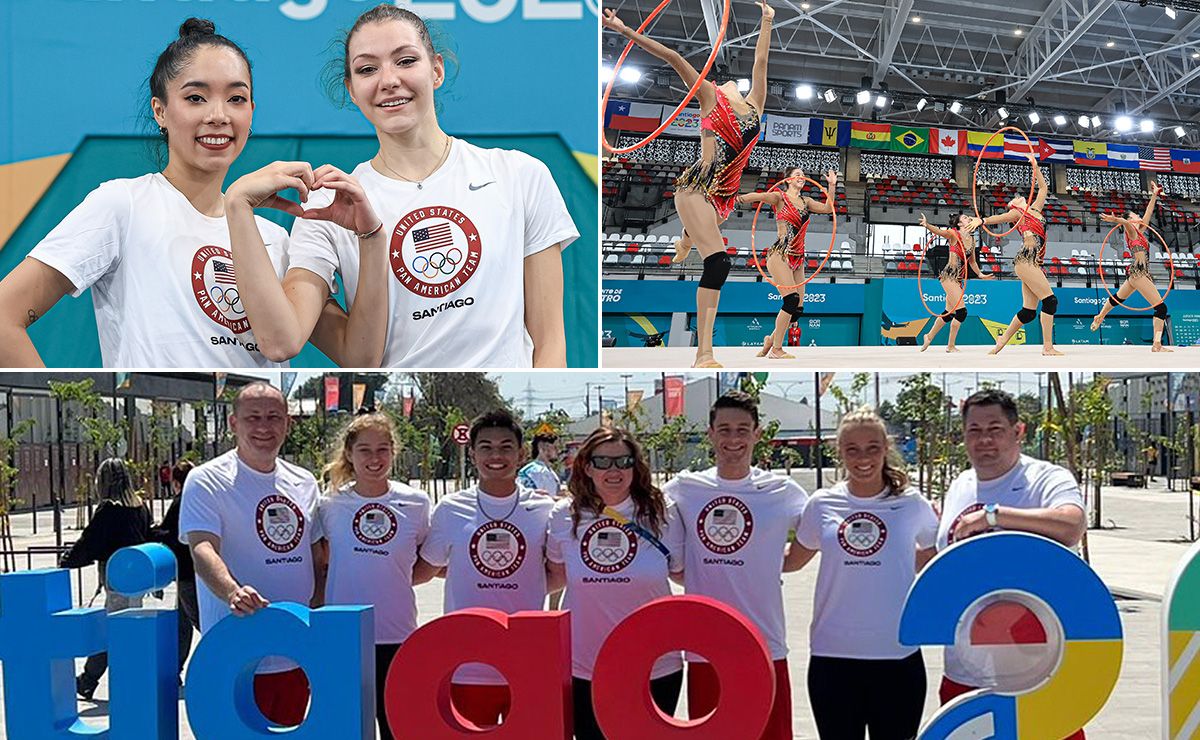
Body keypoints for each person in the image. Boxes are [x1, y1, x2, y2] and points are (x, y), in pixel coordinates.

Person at [234, 4, 578, 368]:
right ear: (351, 90)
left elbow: (550, 341)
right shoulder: (325, 204)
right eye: (368, 69)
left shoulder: (520, 175)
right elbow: (285, 342)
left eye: (405, 61)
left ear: (437, 70)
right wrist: (238, 203)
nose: (388, 80)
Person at [0, 19, 304, 368]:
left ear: (251, 111)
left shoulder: (275, 239)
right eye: (195, 98)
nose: (218, 115)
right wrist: (64, 412)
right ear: (160, 111)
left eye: (236, 98)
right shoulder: (122, 205)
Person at [602, 2, 774, 368]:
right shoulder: (710, 96)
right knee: (719, 265)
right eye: (722, 79)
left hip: (724, 197)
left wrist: (767, 19)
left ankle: (684, 240)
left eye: (733, 81)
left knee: (707, 236)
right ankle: (704, 354)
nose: (730, 79)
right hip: (698, 187)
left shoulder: (756, 105)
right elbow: (673, 58)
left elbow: (761, 63)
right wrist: (625, 31)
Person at [938, 388, 1087, 739]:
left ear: (1018, 431)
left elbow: (1072, 525)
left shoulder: (1046, 479)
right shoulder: (959, 484)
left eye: (995, 428)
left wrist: (995, 516)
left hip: (1039, 669)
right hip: (965, 669)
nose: (984, 439)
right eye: (974, 430)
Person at [663, 391, 808, 739]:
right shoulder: (686, 487)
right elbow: (633, 503)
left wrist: (782, 563)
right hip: (704, 647)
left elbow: (821, 529)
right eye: (724, 429)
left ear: (758, 435)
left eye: (743, 429)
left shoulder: (783, 490)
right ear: (710, 433)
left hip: (765, 643)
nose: (733, 439)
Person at [785, 408, 937, 739]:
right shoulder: (822, 504)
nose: (863, 457)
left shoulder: (912, 504)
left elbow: (935, 557)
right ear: (839, 452)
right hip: (832, 657)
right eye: (852, 449)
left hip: (898, 655)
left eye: (872, 447)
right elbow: (793, 560)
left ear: (886, 448)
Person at [179, 382, 322, 728]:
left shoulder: (304, 481)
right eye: (252, 417)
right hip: (235, 652)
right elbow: (202, 548)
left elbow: (317, 557)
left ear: (288, 423)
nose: (263, 427)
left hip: (293, 652)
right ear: (233, 423)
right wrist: (233, 592)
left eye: (273, 417)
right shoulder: (206, 480)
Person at [414, 410, 554, 726]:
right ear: (473, 453)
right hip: (467, 664)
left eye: (506, 447)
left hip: (527, 660)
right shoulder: (450, 509)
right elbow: (426, 568)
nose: (496, 455)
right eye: (486, 447)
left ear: (521, 454)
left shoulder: (545, 509)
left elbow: (556, 573)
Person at [546, 427, 685, 739]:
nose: (614, 470)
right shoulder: (563, 516)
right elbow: (555, 574)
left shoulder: (664, 514)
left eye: (623, 461)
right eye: (603, 462)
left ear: (636, 466)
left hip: (656, 667)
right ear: (587, 466)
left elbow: (682, 570)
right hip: (584, 667)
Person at [314, 412, 431, 740]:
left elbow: (428, 560)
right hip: (343, 634)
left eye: (383, 449)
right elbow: (320, 561)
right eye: (364, 450)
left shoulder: (416, 503)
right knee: (348, 728)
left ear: (394, 452)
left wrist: (397, 579)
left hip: (397, 634)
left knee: (396, 726)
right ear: (349, 454)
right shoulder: (329, 504)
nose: (374, 458)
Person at [59, 458, 152, 701]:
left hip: (117, 577)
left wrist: (69, 559)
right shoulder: (140, 507)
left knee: (112, 630)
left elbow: (91, 539)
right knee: (125, 627)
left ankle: (90, 679)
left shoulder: (110, 509)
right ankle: (96, 679)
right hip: (138, 577)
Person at [734, 167, 837, 359]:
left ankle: (769, 342)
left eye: (803, 174)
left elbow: (827, 208)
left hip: (798, 258)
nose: (801, 177)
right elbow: (759, 196)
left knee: (797, 310)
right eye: (797, 174)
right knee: (790, 300)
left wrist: (831, 186)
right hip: (780, 254)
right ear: (788, 180)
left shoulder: (806, 202)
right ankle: (776, 350)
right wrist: (737, 198)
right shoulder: (780, 197)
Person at [977, 153, 1062, 356]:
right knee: (1050, 301)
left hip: (1034, 262)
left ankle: (1002, 340)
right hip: (1026, 260)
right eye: (1014, 199)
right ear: (1014, 205)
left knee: (1029, 312)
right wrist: (981, 221)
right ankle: (1048, 347)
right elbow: (999, 217)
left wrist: (1035, 165)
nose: (1018, 196)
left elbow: (1043, 188)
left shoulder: (1036, 209)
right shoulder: (1018, 214)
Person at [1091, 184, 1171, 351]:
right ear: (1131, 220)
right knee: (1161, 307)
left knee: (1118, 299)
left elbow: (1149, 212)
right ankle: (1157, 344)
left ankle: (1100, 316)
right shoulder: (1131, 232)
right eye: (1136, 215)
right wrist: (1117, 220)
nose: (1140, 216)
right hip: (1139, 273)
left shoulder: (1140, 231)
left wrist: (1154, 195)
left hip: (1136, 274)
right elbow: (1125, 222)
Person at [150, 460, 200, 688]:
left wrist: (153, 532)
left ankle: (227, 655)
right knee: (182, 623)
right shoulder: (200, 499)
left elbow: (170, 534)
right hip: (193, 571)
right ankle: (174, 670)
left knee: (198, 620)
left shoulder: (181, 502)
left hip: (187, 572)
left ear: (177, 482)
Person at [916, 212, 992, 352]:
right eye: (965, 218)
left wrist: (980, 274)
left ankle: (929, 336)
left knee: (949, 313)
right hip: (949, 276)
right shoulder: (953, 234)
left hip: (958, 279)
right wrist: (927, 225)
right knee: (961, 312)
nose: (968, 218)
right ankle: (950, 346)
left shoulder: (972, 240)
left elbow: (972, 261)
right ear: (959, 223)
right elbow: (939, 232)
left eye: (969, 217)